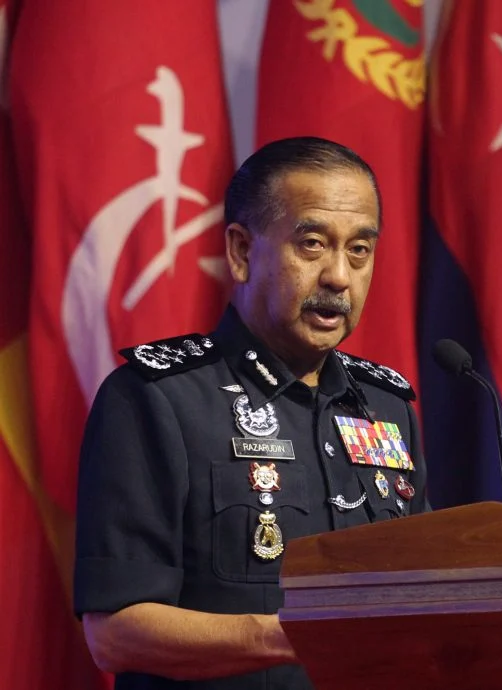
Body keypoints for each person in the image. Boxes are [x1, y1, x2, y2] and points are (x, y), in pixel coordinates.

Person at [73, 136, 429, 689]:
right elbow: (115, 633)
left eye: (359, 250)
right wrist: (296, 636)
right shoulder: (156, 399)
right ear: (241, 251)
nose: (339, 276)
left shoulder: (387, 408)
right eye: (313, 244)